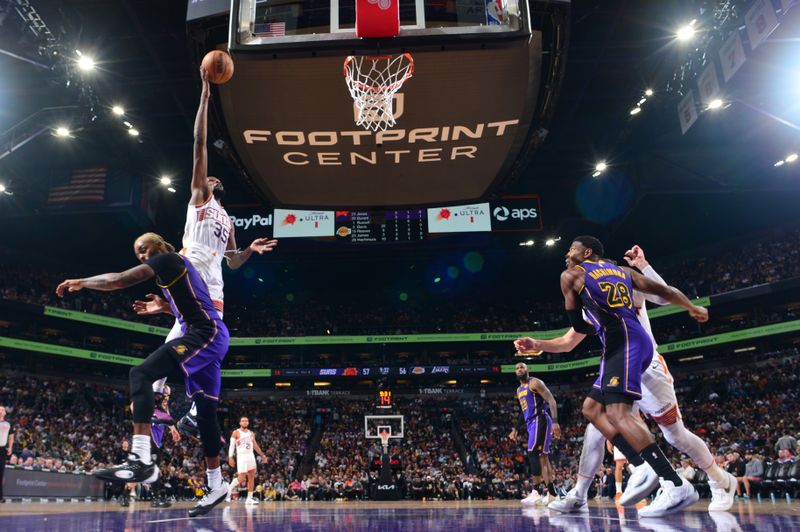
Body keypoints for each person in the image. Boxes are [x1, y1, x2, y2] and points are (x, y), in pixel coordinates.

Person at [535, 244, 736, 514]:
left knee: (675, 435)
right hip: (621, 359)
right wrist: (537, 343)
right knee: (595, 422)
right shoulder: (589, 299)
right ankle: (580, 494)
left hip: (646, 365)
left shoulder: (619, 280)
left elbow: (662, 295)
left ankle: (719, 481)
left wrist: (644, 266)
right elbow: (569, 341)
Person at [56, 232, 229, 517]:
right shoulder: (174, 270)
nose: (143, 256)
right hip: (208, 334)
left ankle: (140, 458)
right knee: (207, 413)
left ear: (159, 245)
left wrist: (82, 282)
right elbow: (192, 303)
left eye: (145, 249)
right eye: (138, 254)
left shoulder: (169, 260)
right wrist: (164, 307)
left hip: (205, 333)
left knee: (141, 374)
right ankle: (216, 483)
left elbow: (120, 279)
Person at [145, 66, 277, 436]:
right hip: (203, 289)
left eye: (211, 179)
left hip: (202, 285)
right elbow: (198, 144)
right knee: (179, 339)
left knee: (180, 348)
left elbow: (233, 261)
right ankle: (172, 414)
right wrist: (204, 97)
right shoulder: (214, 210)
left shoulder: (217, 212)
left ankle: (165, 404)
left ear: (214, 188)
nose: (208, 177)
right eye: (208, 177)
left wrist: (249, 248)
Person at [509, 362, 562, 507]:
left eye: (522, 367)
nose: (519, 369)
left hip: (540, 419)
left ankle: (536, 491)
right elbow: (523, 411)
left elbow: (551, 399)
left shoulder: (535, 382)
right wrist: (516, 428)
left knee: (533, 453)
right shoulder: (519, 389)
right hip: (531, 423)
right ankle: (552, 494)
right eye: (517, 368)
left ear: (527, 369)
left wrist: (556, 422)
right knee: (543, 458)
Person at [227, 416, 267, 504]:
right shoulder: (236, 432)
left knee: (251, 477)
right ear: (240, 423)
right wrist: (230, 457)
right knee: (241, 478)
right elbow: (232, 446)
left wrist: (262, 455)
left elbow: (255, 446)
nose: (244, 422)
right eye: (243, 421)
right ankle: (228, 490)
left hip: (250, 455)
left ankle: (249, 498)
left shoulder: (251, 433)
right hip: (241, 456)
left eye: (246, 421)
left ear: (248, 423)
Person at [0, 406, 13, 503]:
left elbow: (11, 437)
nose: (0, 411)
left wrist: (10, 447)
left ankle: (0, 496)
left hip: (2, 450)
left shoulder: (8, 424)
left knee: (1, 473)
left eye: (2, 410)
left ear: (5, 412)